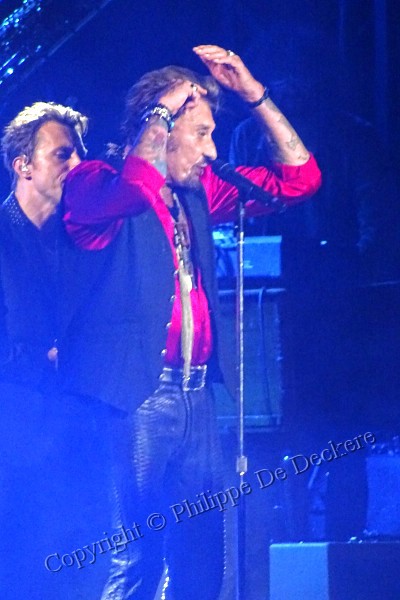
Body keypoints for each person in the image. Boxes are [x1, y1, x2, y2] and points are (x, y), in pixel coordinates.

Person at [60, 44, 321, 599]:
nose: (211, 150)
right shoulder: (93, 180)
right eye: (200, 133)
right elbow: (135, 188)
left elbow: (299, 179)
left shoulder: (197, 191)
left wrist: (254, 95)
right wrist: (161, 112)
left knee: (204, 557)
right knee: (134, 558)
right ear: (160, 126)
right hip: (132, 397)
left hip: (196, 396)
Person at [0, 102, 111, 599]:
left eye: (80, 153)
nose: (78, 165)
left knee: (82, 567)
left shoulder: (84, 238)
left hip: (78, 427)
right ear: (23, 165)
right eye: (63, 154)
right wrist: (40, 359)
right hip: (14, 432)